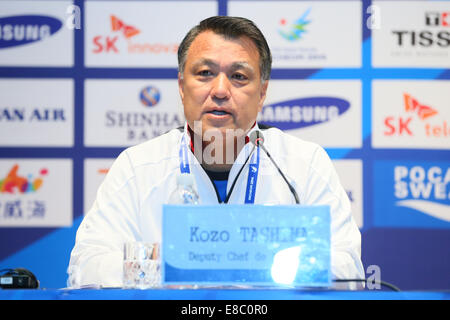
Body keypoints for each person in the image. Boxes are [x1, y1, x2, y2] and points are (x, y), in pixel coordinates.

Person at [68, 16, 364, 288]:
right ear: (182, 86)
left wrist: (255, 261)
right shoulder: (138, 166)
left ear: (262, 93)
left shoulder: (303, 164)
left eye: (239, 76)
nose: (221, 90)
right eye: (205, 73)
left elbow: (348, 270)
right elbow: (85, 267)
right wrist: (176, 266)